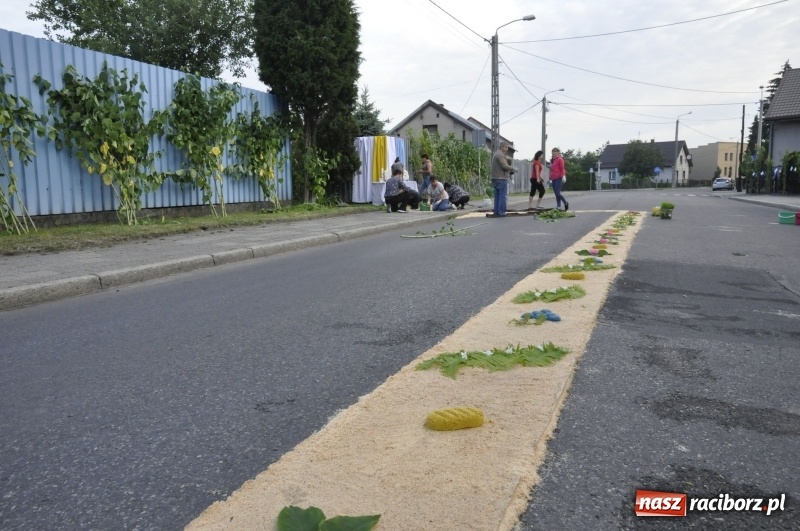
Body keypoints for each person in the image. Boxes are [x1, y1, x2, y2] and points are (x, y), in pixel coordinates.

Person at [491, 141, 514, 217]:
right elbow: (504, 166)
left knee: (497, 196)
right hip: (500, 178)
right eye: (506, 147)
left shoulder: (496, 154)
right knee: (502, 196)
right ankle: (501, 212)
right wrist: (513, 168)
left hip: (495, 178)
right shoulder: (500, 155)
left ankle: (496, 212)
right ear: (502, 147)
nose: (507, 149)